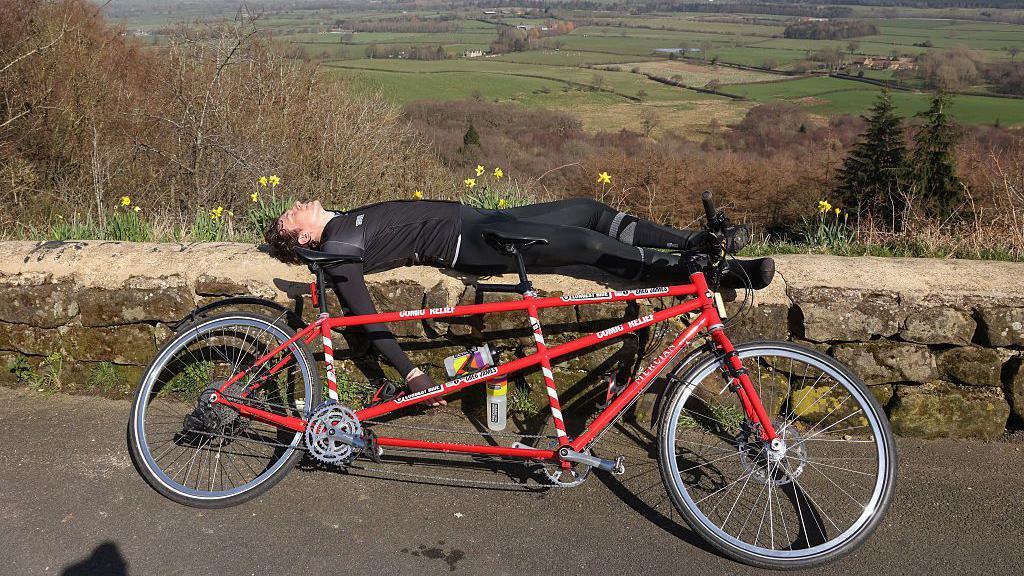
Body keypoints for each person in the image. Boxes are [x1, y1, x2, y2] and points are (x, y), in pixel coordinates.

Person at [264, 198, 771, 403]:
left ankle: (694, 245)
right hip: (478, 245)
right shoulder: (335, 251)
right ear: (303, 242)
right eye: (290, 216)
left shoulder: (343, 219)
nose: (296, 205)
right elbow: (364, 313)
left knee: (589, 211)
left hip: (480, 218)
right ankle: (700, 268)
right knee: (587, 245)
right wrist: (409, 372)